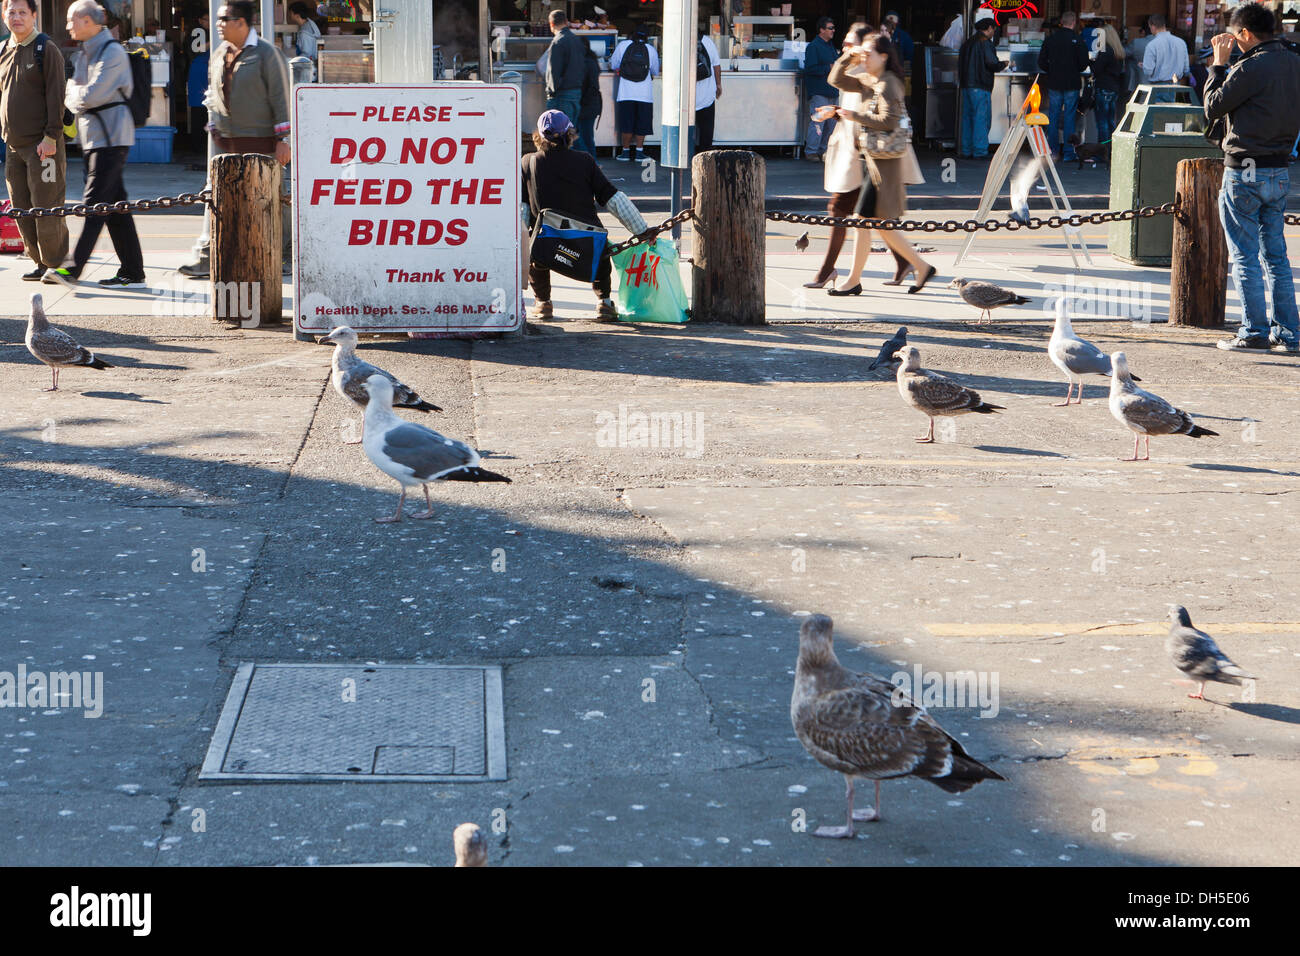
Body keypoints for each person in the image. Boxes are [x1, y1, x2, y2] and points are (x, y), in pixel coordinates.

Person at [1204, 2, 1300, 354]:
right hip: (1279, 167)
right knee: (1275, 256)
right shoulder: (1293, 61)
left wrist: (1218, 64)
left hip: (1244, 168)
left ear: (1244, 33)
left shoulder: (1250, 66)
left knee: (1244, 255)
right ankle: (1289, 334)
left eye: (1235, 36)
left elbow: (1214, 106)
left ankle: (1254, 331)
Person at [178, 1, 291, 278]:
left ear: (242, 23)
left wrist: (284, 139)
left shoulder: (267, 54)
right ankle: (209, 256)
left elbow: (281, 97)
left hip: (261, 141)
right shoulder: (219, 53)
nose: (217, 24)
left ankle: (285, 255)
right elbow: (215, 93)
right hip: (226, 142)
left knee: (272, 201)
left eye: (223, 18)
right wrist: (214, 127)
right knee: (216, 198)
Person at [827, 32, 935, 296]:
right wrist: (849, 55)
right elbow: (836, 79)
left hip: (885, 163)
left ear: (883, 56)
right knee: (874, 223)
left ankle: (857, 279)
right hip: (872, 159)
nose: (863, 57)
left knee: (867, 221)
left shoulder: (888, 83)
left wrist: (855, 115)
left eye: (868, 54)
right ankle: (919, 267)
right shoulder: (870, 79)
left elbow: (889, 121)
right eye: (862, 53)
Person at [46, 0, 144, 291]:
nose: (67, 26)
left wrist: (71, 92)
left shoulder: (111, 51)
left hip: (111, 138)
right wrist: (75, 94)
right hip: (98, 138)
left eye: (71, 20)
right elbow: (81, 96)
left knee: (94, 204)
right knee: (115, 209)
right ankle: (133, 271)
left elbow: (89, 96)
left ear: (89, 21)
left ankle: (72, 269)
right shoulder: (88, 53)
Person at [520, 109, 652, 322]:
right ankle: (604, 303)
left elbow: (523, 210)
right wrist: (642, 231)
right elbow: (613, 199)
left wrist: (520, 245)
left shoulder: (528, 163)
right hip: (586, 247)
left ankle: (543, 303)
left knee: (535, 249)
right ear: (569, 134)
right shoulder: (585, 161)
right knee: (603, 247)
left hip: (547, 246)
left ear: (539, 137)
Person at [803, 23, 908, 290]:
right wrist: (838, 111)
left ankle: (831, 272)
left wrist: (844, 114)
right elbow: (835, 80)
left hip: (865, 154)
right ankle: (907, 262)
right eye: (845, 42)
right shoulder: (860, 68)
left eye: (851, 43)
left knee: (843, 211)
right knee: (871, 217)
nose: (844, 47)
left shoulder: (871, 73)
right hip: (856, 151)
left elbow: (877, 115)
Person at [0, 0, 70, 282]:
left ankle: (56, 265)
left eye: (22, 12)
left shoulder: (45, 48)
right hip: (14, 147)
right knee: (21, 209)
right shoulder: (4, 49)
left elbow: (56, 95)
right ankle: (39, 262)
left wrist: (51, 136)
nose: (16, 17)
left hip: (43, 146)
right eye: (11, 12)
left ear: (34, 16)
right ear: (4, 15)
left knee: (48, 206)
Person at [1038, 12, 1090, 162]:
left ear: (1061, 22)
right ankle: (1069, 152)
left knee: (1053, 117)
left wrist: (1052, 70)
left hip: (1054, 82)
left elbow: (1041, 62)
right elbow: (1084, 63)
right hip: (1072, 83)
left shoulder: (1051, 39)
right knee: (1069, 118)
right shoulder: (1078, 40)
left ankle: (1053, 152)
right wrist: (1074, 70)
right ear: (1073, 22)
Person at [958, 14, 1004, 160]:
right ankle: (979, 151)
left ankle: (966, 150)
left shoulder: (967, 43)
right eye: (993, 30)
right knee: (980, 119)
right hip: (980, 85)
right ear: (990, 28)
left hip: (966, 85)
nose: (993, 33)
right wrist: (1005, 64)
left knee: (967, 118)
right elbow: (992, 64)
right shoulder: (985, 43)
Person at [609, 30, 658, 162]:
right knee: (642, 122)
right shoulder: (650, 49)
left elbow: (613, 65)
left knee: (627, 122)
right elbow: (655, 70)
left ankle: (625, 152)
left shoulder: (623, 45)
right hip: (645, 94)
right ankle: (639, 152)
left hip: (626, 93)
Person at [802, 17, 837, 161]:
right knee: (818, 123)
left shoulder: (830, 46)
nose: (833, 30)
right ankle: (811, 151)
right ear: (821, 30)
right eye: (830, 28)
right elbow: (809, 69)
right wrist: (828, 67)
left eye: (833, 28)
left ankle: (823, 151)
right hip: (819, 91)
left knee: (831, 125)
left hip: (832, 90)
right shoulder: (813, 46)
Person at [543, 9, 586, 124]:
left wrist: (551, 93)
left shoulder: (558, 42)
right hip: (576, 93)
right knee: (570, 133)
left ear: (551, 24)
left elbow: (554, 72)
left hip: (561, 95)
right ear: (566, 22)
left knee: (557, 133)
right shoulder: (577, 40)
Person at [1090, 24, 1126, 146]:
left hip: (1103, 88)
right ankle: (1112, 149)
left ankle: (1103, 150)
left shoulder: (1105, 51)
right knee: (1111, 121)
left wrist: (1091, 62)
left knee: (1102, 123)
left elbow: (1096, 69)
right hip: (1114, 89)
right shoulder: (1118, 51)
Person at [1142, 14, 1190, 86]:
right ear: (1164, 25)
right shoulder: (1181, 42)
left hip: (1157, 87)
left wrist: (1145, 65)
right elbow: (1186, 70)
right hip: (1177, 86)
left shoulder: (1152, 45)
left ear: (1152, 26)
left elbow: (1148, 71)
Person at [695, 30, 721, 151]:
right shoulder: (708, 42)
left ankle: (686, 154)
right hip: (707, 95)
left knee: (686, 129)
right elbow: (716, 65)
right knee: (706, 128)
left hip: (686, 97)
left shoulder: (681, 40)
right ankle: (705, 156)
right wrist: (719, 85)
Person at [576, 42, 601, 157]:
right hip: (592, 104)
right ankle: (592, 162)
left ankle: (592, 162)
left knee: (585, 136)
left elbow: (590, 86)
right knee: (587, 136)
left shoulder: (586, 63)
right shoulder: (592, 61)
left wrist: (581, 102)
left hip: (587, 105)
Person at [288, 2, 320, 66]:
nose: (289, 15)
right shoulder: (308, 24)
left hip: (307, 67)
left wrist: (293, 62)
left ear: (297, 15)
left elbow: (306, 55)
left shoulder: (305, 32)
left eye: (291, 13)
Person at [1125, 22, 1152, 95]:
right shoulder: (1164, 43)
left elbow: (1123, 53)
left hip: (1140, 84)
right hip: (1162, 86)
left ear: (1143, 31)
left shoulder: (1137, 42)